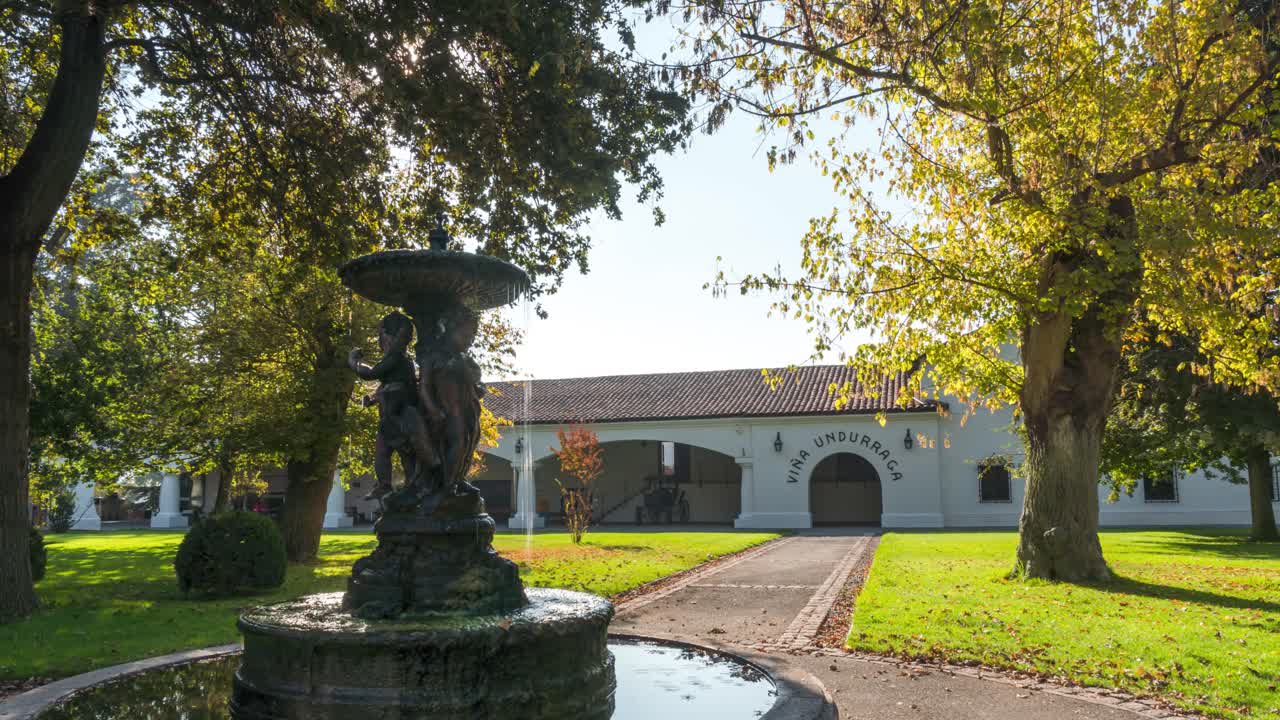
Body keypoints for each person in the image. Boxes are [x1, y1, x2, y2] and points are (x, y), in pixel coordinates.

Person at [349, 311, 437, 502]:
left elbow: (371, 374)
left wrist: (354, 362)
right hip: (396, 415)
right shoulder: (404, 360)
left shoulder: (396, 358)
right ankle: (408, 487)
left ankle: (388, 485)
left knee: (386, 452)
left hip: (395, 416)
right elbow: (392, 386)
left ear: (386, 337)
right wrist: (375, 399)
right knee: (401, 454)